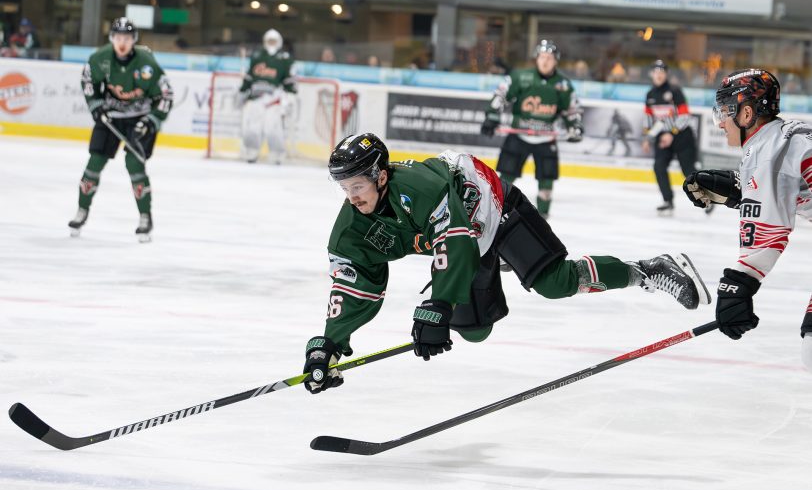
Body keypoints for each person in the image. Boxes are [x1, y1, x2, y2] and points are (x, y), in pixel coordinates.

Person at [301, 133, 711, 393]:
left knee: (552, 281)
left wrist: (439, 304)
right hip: (464, 242)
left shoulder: (420, 188)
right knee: (474, 331)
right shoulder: (351, 227)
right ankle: (500, 262)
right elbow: (355, 286)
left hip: (493, 210)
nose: (352, 196)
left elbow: (455, 242)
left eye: (357, 185)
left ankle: (649, 269)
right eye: (345, 188)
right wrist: (330, 345)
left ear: (381, 176)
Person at [682, 69, 812, 369]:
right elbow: (786, 186)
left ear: (747, 113)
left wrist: (737, 286)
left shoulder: (768, 152)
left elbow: (768, 235)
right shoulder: (783, 137)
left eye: (725, 111)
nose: (720, 122)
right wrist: (743, 188)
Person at [68, 17, 173, 242]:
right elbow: (88, 81)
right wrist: (96, 106)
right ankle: (82, 210)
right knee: (94, 162)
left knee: (134, 164)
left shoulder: (146, 63)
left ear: (134, 40)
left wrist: (152, 121)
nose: (122, 42)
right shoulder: (100, 58)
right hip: (111, 117)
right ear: (111, 39)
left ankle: (145, 216)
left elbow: (165, 95)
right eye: (118, 38)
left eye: (126, 38)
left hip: (140, 119)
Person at [480, 39, 583, 219]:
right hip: (519, 135)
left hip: (545, 138)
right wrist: (492, 117)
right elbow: (501, 95)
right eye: (542, 57)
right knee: (507, 174)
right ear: (536, 58)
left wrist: (574, 126)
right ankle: (496, 207)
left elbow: (571, 109)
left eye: (549, 58)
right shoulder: (520, 77)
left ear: (556, 61)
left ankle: (543, 214)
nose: (545, 61)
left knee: (546, 178)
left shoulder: (563, 84)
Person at [642, 60, 700, 216]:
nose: (659, 75)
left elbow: (685, 116)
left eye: (662, 72)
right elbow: (649, 120)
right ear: (651, 74)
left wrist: (672, 133)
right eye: (656, 72)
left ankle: (706, 197)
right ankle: (668, 201)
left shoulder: (675, 91)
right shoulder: (650, 95)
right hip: (663, 137)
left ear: (666, 74)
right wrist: (648, 138)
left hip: (682, 136)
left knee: (688, 171)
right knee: (659, 166)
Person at [238, 29, 296, 164]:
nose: (271, 43)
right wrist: (243, 90)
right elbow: (249, 77)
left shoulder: (285, 59)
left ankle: (277, 155)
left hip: (273, 99)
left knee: (273, 129)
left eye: (274, 41)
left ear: (279, 42)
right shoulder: (257, 56)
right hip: (255, 98)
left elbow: (290, 80)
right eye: (269, 41)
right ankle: (251, 152)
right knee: (251, 128)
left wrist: (290, 95)